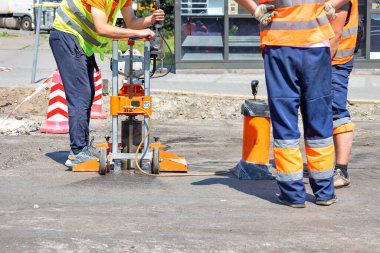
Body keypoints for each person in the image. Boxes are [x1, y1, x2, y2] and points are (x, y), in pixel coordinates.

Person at [234, 0, 349, 207]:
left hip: (279, 46)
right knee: (319, 118)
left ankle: (293, 193)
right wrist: (334, 4)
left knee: (285, 120)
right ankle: (324, 191)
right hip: (316, 44)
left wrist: (255, 10)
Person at [49, 0, 164, 166]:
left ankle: (82, 148)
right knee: (80, 95)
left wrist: (150, 20)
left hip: (80, 41)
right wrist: (137, 34)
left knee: (86, 95)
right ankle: (77, 152)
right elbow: (102, 28)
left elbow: (131, 21)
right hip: (67, 35)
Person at [329, 0, 359, 188]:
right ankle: (322, 163)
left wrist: (318, 65)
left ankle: (341, 170)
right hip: (328, 58)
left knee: (336, 111)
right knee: (318, 112)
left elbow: (335, 33)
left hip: (334, 59)